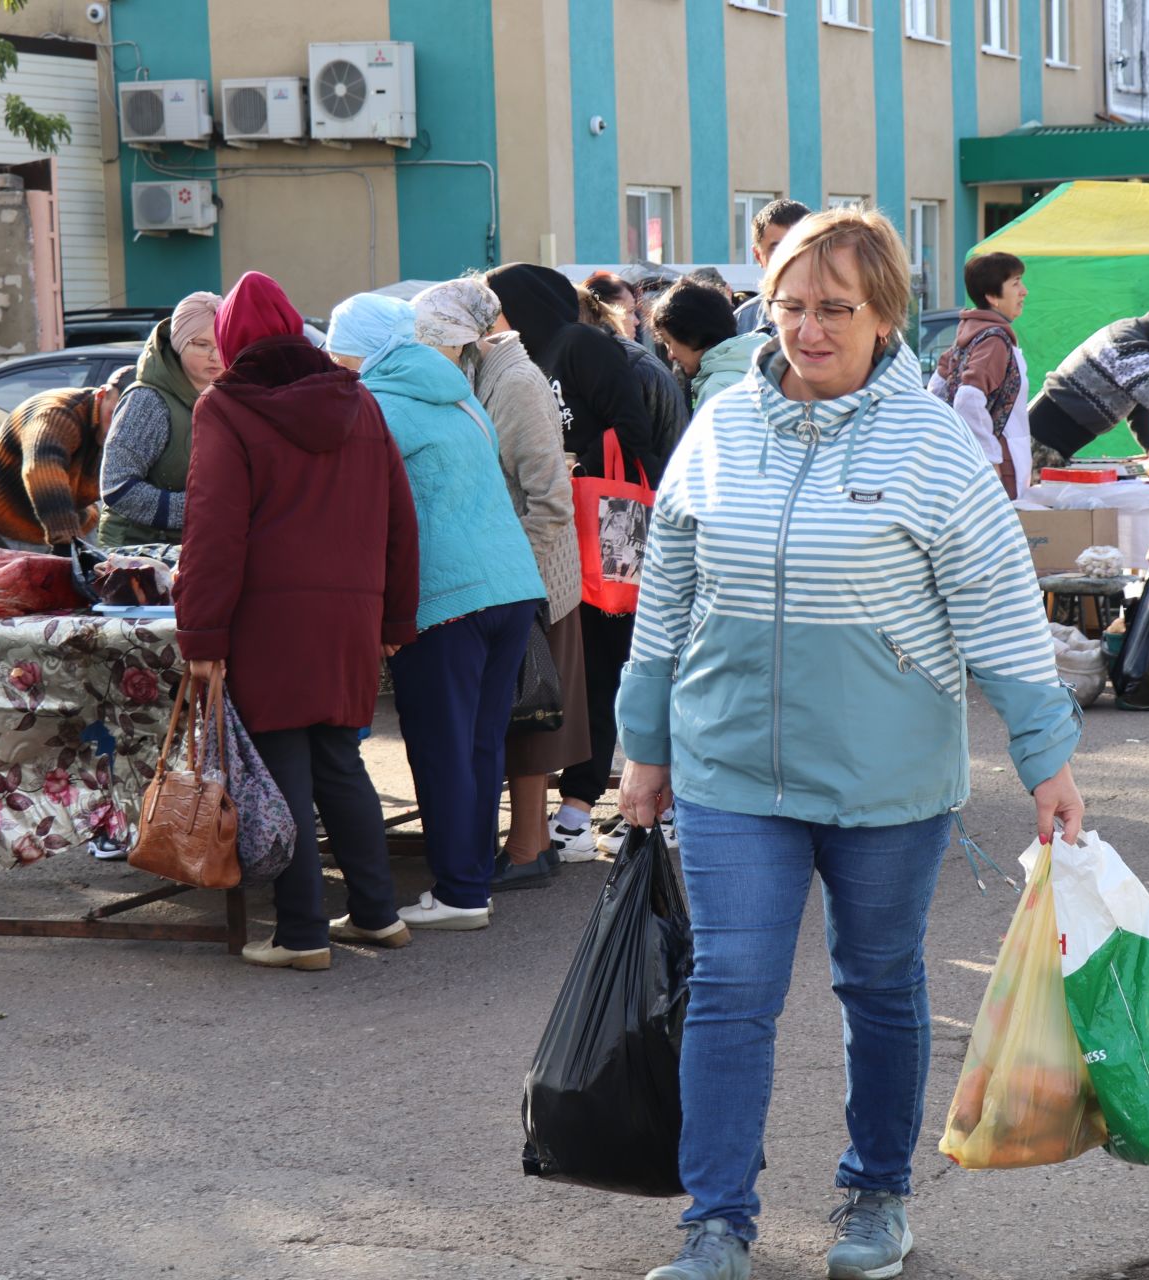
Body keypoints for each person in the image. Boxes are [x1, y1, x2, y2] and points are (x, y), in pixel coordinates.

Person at [615, 207, 1086, 1280]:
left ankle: (877, 1192)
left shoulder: (930, 445)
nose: (810, 329)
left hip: (888, 774)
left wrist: (1045, 757)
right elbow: (668, 595)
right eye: (791, 306)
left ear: (885, 319)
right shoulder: (721, 427)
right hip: (733, 764)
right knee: (731, 983)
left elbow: (1000, 608)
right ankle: (716, 1219)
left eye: (837, 308)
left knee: (878, 982)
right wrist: (644, 748)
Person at [175, 272, 419, 969]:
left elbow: (213, 531)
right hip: (350, 616)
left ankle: (302, 933)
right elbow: (401, 519)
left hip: (268, 620)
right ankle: (377, 914)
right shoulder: (359, 400)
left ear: (231, 341)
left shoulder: (224, 407)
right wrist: (395, 616)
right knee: (341, 762)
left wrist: (202, 634)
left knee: (282, 771)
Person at [327, 291, 546, 932]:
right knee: (479, 742)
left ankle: (460, 890)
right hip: (509, 585)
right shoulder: (457, 394)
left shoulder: (375, 406)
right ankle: (470, 879)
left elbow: (369, 518)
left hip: (445, 594)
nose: (334, 365)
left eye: (338, 351)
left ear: (359, 351)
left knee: (441, 745)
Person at [412, 277, 591, 893]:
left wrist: (524, 582)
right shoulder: (493, 374)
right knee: (520, 716)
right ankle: (526, 845)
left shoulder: (513, 382)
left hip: (532, 574)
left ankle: (527, 847)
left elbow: (549, 497)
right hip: (516, 572)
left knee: (532, 715)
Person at [487, 262, 664, 863]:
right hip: (566, 531)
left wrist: (576, 467)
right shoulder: (524, 359)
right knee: (570, 668)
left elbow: (633, 429)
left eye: (498, 304)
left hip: (606, 523)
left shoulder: (580, 344)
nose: (492, 318)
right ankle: (569, 809)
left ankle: (579, 809)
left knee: (603, 662)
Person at [1026, 290, 1149, 475]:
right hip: (1037, 442)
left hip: (1046, 441)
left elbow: (1140, 403)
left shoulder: (1133, 336)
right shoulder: (1130, 344)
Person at [97, 290, 222, 546]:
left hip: (188, 550)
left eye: (222, 343)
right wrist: (199, 509)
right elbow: (116, 486)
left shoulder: (223, 399)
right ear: (178, 343)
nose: (215, 355)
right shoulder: (148, 401)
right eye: (201, 344)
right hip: (135, 556)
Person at [0, 365, 134, 548]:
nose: (119, 428)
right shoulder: (59, 414)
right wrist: (68, 542)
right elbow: (42, 471)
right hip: (15, 520)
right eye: (114, 415)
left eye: (128, 421)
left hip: (78, 517)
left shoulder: (126, 428)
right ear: (101, 395)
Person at [927, 250, 1033, 497]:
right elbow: (968, 399)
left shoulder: (969, 335)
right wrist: (989, 456)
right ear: (993, 297)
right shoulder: (994, 340)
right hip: (1000, 466)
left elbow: (935, 391)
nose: (1024, 291)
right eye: (1015, 283)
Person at [582, 282, 692, 465]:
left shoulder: (630, 364)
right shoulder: (631, 360)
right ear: (605, 313)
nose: (637, 321)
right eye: (630, 311)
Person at [651, 279, 770, 412]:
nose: (670, 355)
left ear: (691, 333)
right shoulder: (764, 370)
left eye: (669, 342)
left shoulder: (717, 388)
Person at [733, 199, 812, 333]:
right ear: (758, 256)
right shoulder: (741, 324)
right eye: (777, 249)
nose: (789, 257)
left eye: (799, 247)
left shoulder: (841, 313)